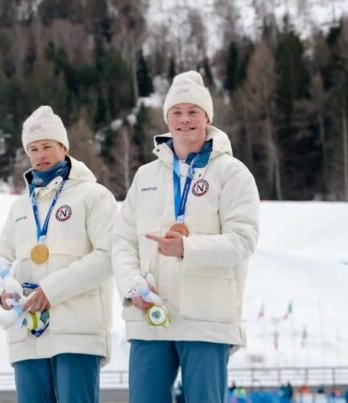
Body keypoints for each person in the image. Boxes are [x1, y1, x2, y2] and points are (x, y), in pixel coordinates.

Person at [112, 70, 260, 403]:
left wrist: (187, 249)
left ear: (208, 117)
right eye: (176, 113)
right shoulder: (146, 175)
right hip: (151, 314)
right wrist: (131, 285)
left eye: (193, 112)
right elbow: (121, 241)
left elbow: (243, 240)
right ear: (167, 119)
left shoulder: (231, 173)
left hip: (206, 319)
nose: (184, 120)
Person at [0, 105, 117, 403]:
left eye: (47, 146)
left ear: (64, 147)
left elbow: (108, 256)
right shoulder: (19, 208)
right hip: (27, 334)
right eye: (33, 148)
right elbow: (1, 264)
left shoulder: (93, 196)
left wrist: (52, 290)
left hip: (77, 333)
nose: (40, 154)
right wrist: (1, 292)